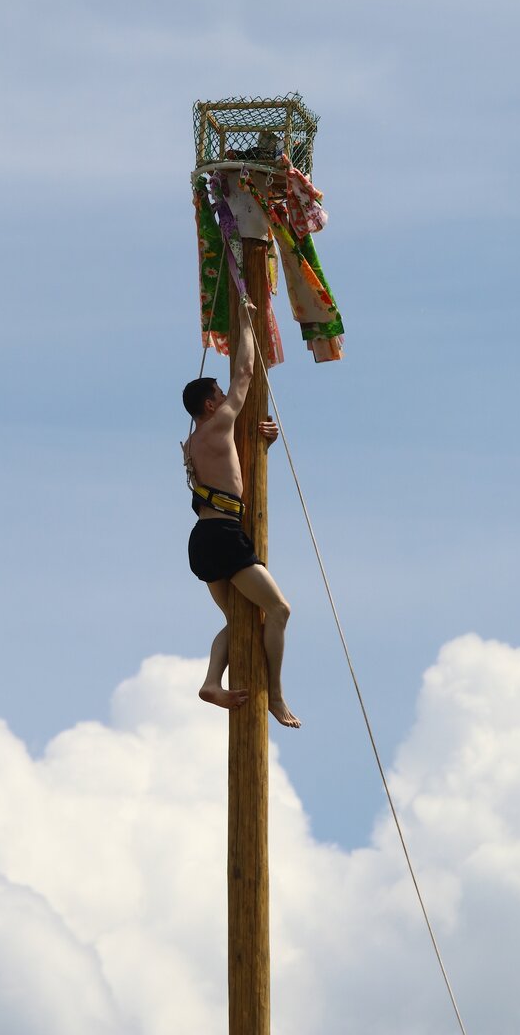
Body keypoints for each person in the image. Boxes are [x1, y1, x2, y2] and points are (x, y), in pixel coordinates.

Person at [182, 297, 300, 728]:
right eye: (217, 394)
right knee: (280, 610)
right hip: (224, 537)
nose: (223, 396)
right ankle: (276, 695)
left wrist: (260, 441)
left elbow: (231, 470)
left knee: (240, 618)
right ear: (210, 406)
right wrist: (248, 322)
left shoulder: (194, 441)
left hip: (204, 537)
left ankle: (213, 682)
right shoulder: (215, 425)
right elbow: (245, 373)